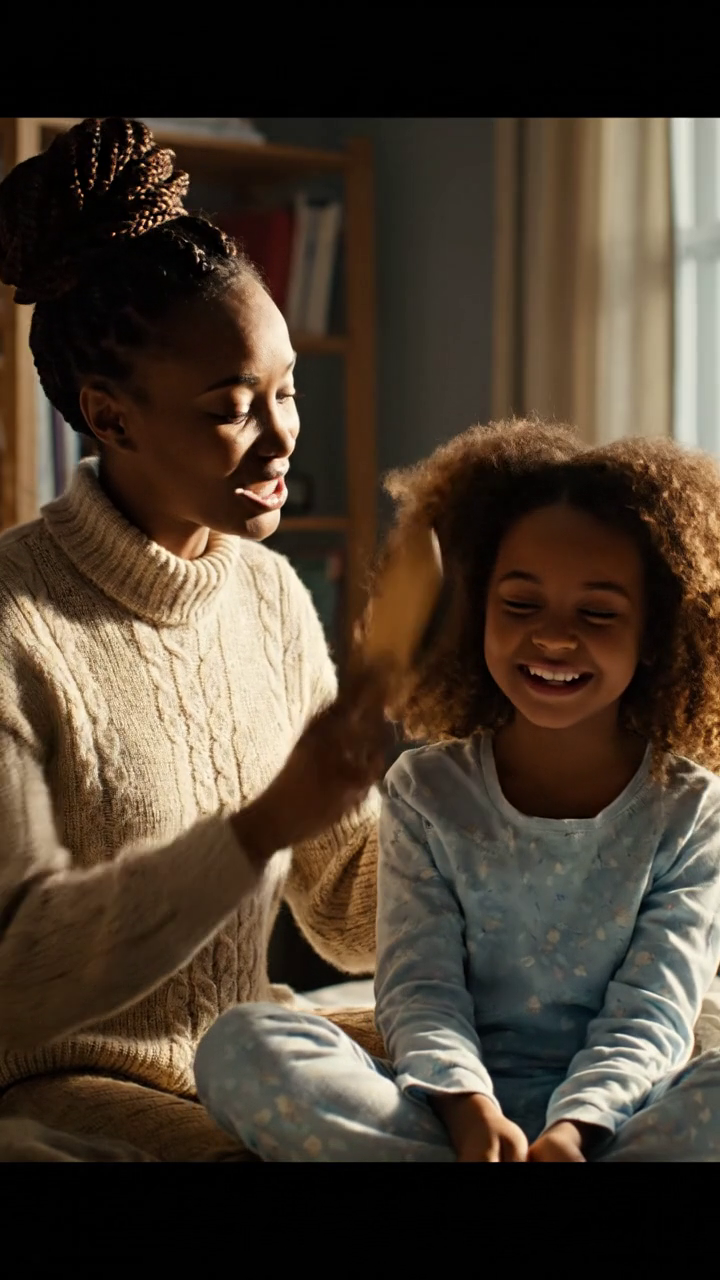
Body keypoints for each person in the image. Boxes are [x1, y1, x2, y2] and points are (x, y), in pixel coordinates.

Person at [0, 117, 386, 1163]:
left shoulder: (267, 593)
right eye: (232, 408)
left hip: (250, 1044)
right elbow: (17, 979)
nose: (282, 436)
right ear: (109, 415)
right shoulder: (15, 623)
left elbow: (347, 912)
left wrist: (477, 780)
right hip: (73, 1076)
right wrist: (260, 824)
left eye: (288, 389)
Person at [194, 417, 720, 1162]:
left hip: (619, 1120)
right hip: (446, 1117)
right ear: (475, 612)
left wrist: (575, 1126)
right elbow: (419, 988)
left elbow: (655, 1013)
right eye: (520, 604)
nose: (555, 637)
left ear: (658, 633)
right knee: (239, 1044)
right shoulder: (427, 790)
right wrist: (469, 1111)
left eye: (597, 613)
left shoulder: (691, 810)